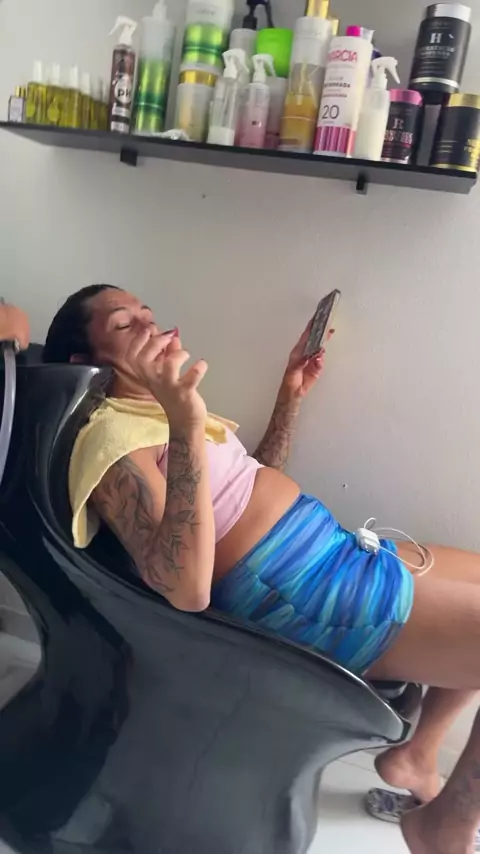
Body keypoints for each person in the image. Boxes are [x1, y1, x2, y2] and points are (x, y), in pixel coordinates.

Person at [44, 284, 480, 854]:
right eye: (126, 325)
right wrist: (184, 420)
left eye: (149, 315)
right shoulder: (111, 437)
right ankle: (445, 826)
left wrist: (289, 394)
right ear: (86, 361)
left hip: (331, 551)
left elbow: (250, 483)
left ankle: (416, 757)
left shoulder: (154, 408)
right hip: (302, 592)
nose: (151, 327)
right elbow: (185, 588)